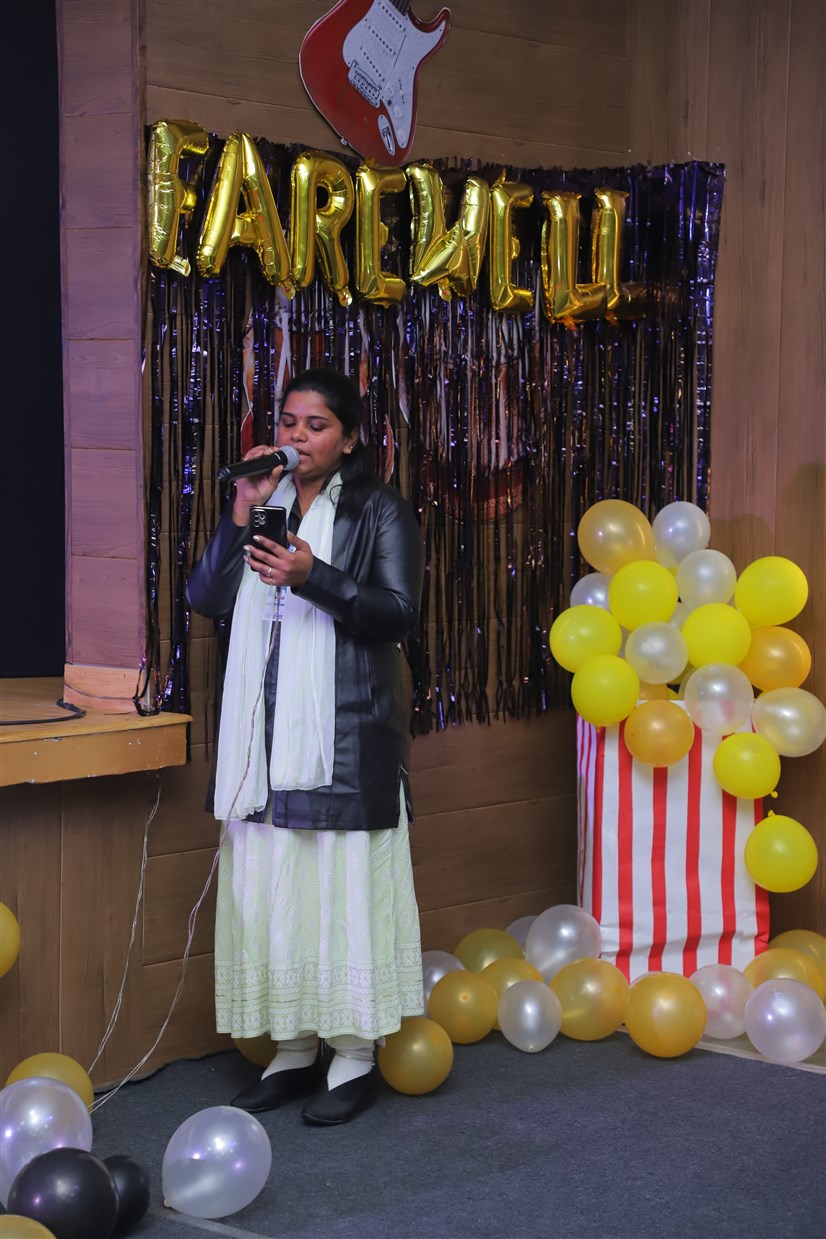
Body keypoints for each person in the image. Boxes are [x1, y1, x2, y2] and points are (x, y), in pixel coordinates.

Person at [187, 368, 425, 1125]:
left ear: (349, 438)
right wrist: (241, 513)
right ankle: (291, 1050)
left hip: (346, 741)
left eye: (316, 425)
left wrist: (312, 575)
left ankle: (353, 1055)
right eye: (288, 422)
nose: (295, 436)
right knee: (274, 890)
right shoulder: (269, 503)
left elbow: (396, 613)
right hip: (261, 742)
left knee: (340, 891)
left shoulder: (379, 507)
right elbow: (207, 598)